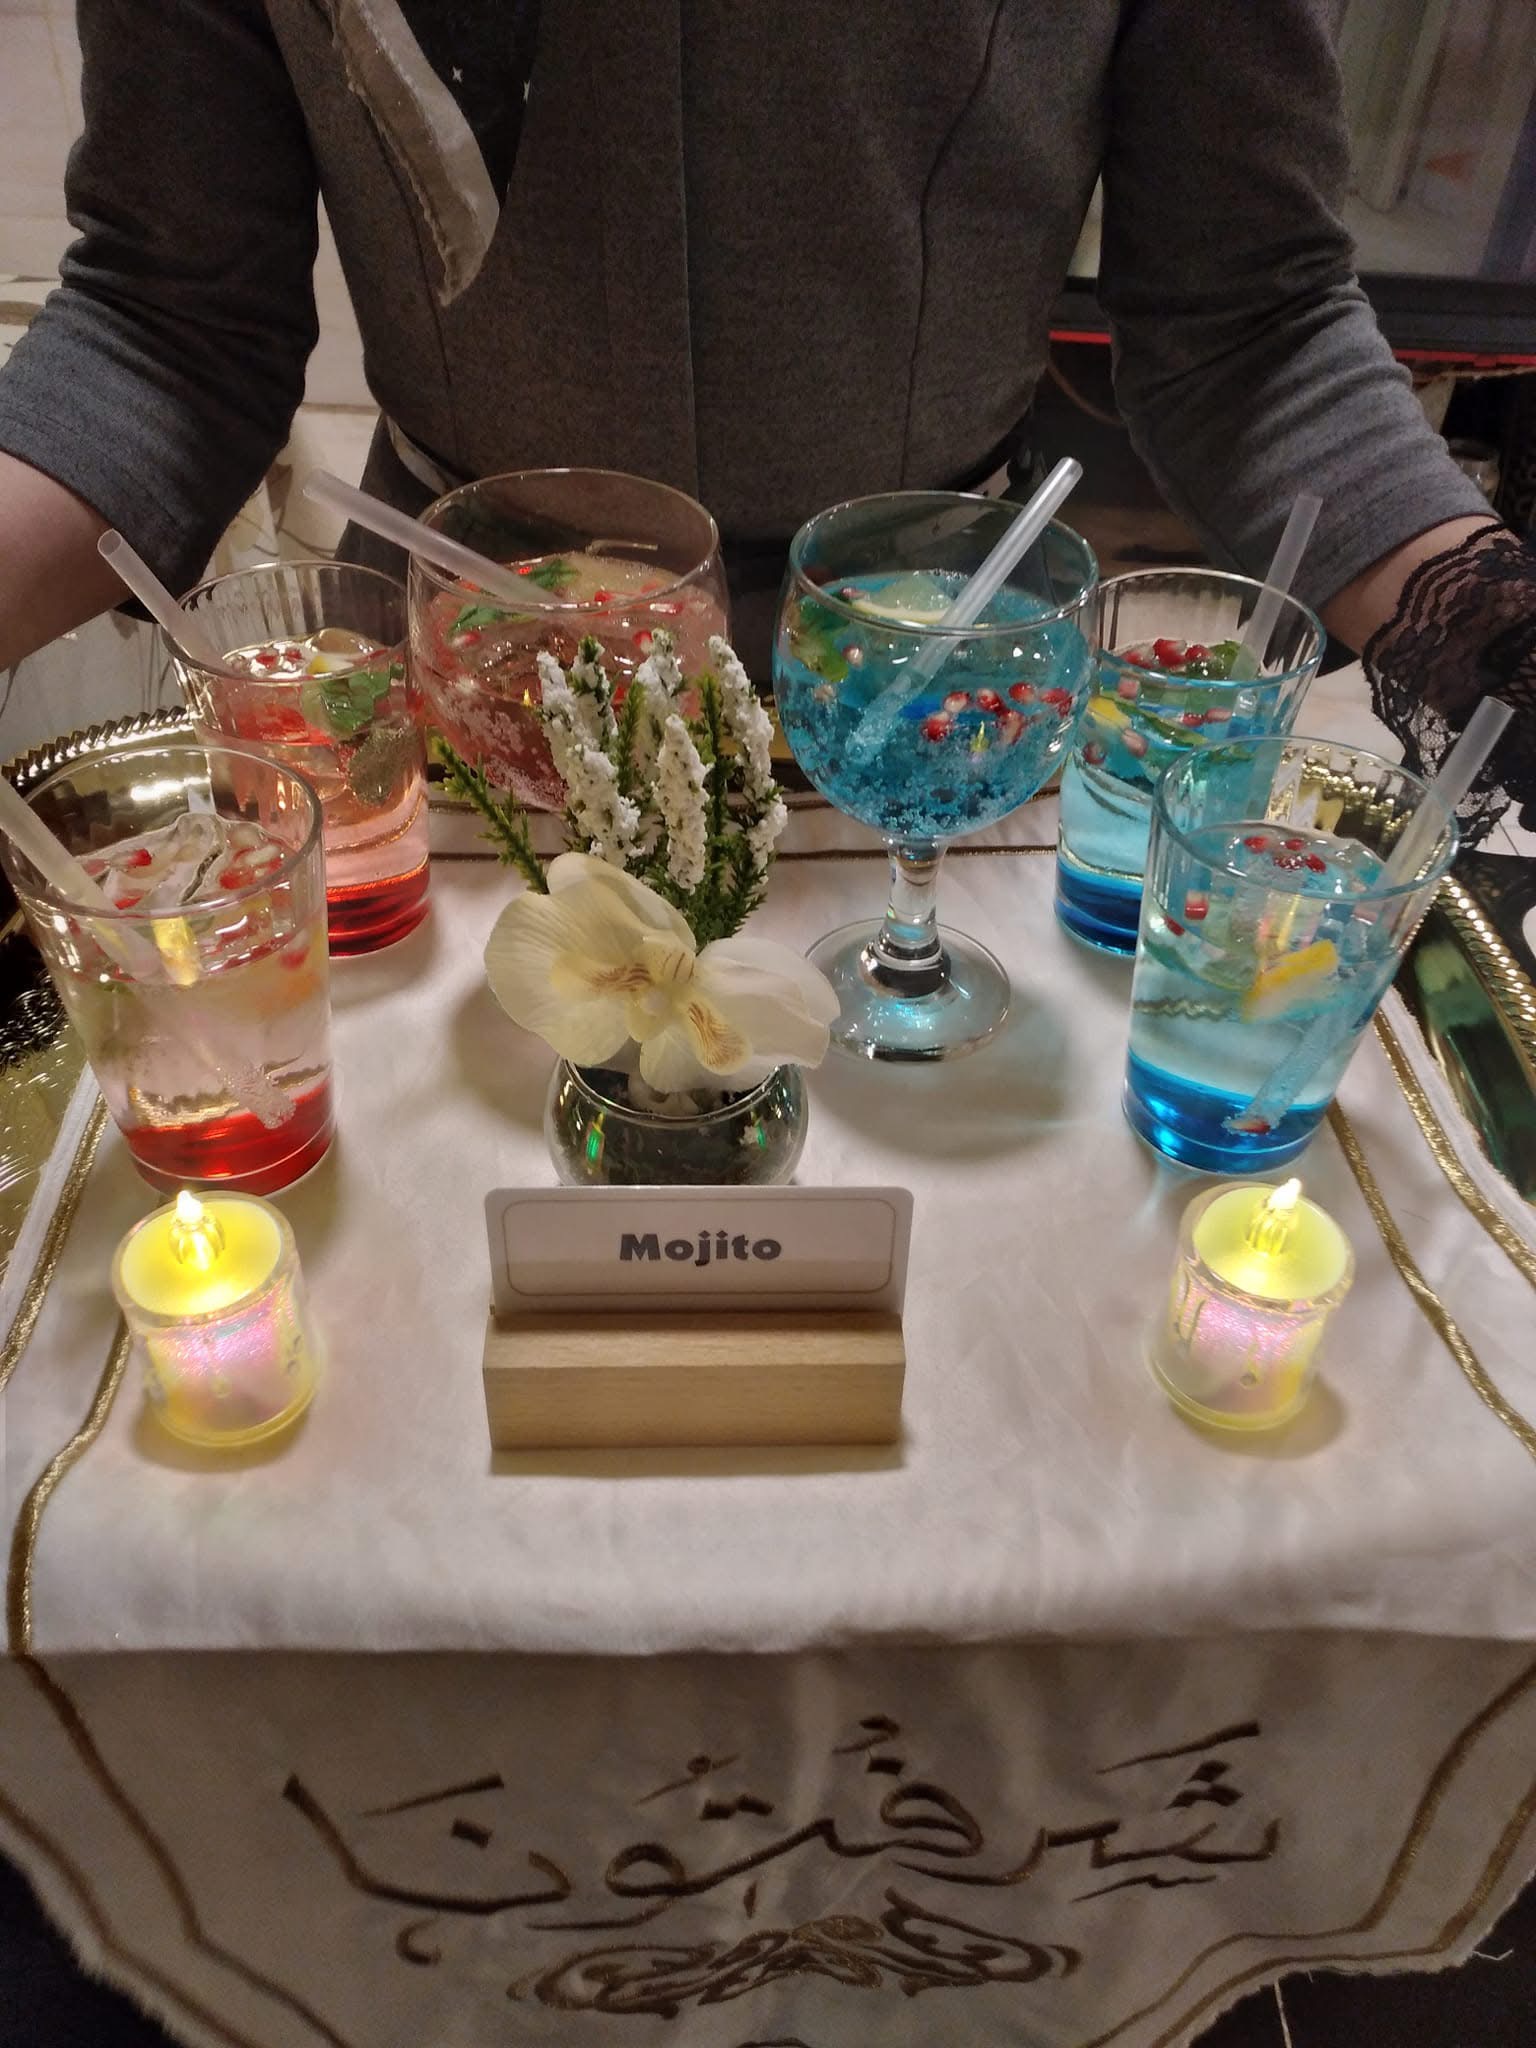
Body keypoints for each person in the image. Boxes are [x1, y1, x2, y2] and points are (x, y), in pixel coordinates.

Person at [0, 0, 1529, 829]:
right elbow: (168, 315)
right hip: (463, 707)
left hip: (937, 700)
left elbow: (1250, 315)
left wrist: (1494, 639)